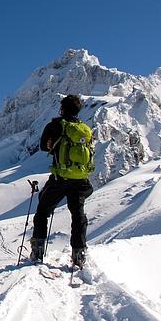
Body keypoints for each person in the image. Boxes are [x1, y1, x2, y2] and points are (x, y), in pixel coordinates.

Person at [29, 94, 94, 268]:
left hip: (60, 178)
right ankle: (79, 255)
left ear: (62, 108)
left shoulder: (55, 125)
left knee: (43, 211)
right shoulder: (84, 129)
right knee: (78, 215)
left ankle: (37, 252)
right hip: (80, 180)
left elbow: (43, 146)